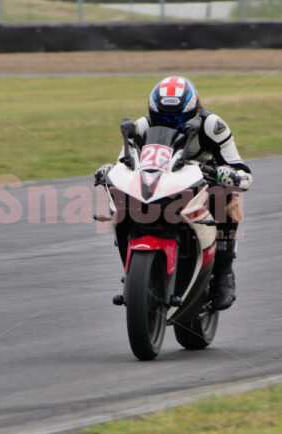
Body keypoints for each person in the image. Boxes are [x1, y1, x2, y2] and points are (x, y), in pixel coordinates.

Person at [94, 76, 252, 311]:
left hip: (201, 182)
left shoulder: (213, 126)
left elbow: (244, 173)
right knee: (120, 195)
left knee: (227, 195)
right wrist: (110, 170)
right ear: (152, 113)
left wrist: (230, 175)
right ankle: (132, 265)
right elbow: (124, 163)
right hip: (158, 183)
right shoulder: (141, 126)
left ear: (193, 112)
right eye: (163, 118)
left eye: (177, 117)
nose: (170, 123)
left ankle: (223, 271)